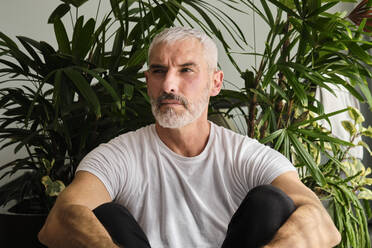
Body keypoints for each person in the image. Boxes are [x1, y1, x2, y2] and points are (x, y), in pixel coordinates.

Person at [38, 27, 341, 248]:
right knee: (106, 215)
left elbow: (323, 226)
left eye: (186, 70)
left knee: (272, 203)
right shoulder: (116, 156)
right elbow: (57, 222)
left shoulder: (247, 156)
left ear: (215, 81)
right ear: (148, 82)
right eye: (158, 71)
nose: (169, 84)